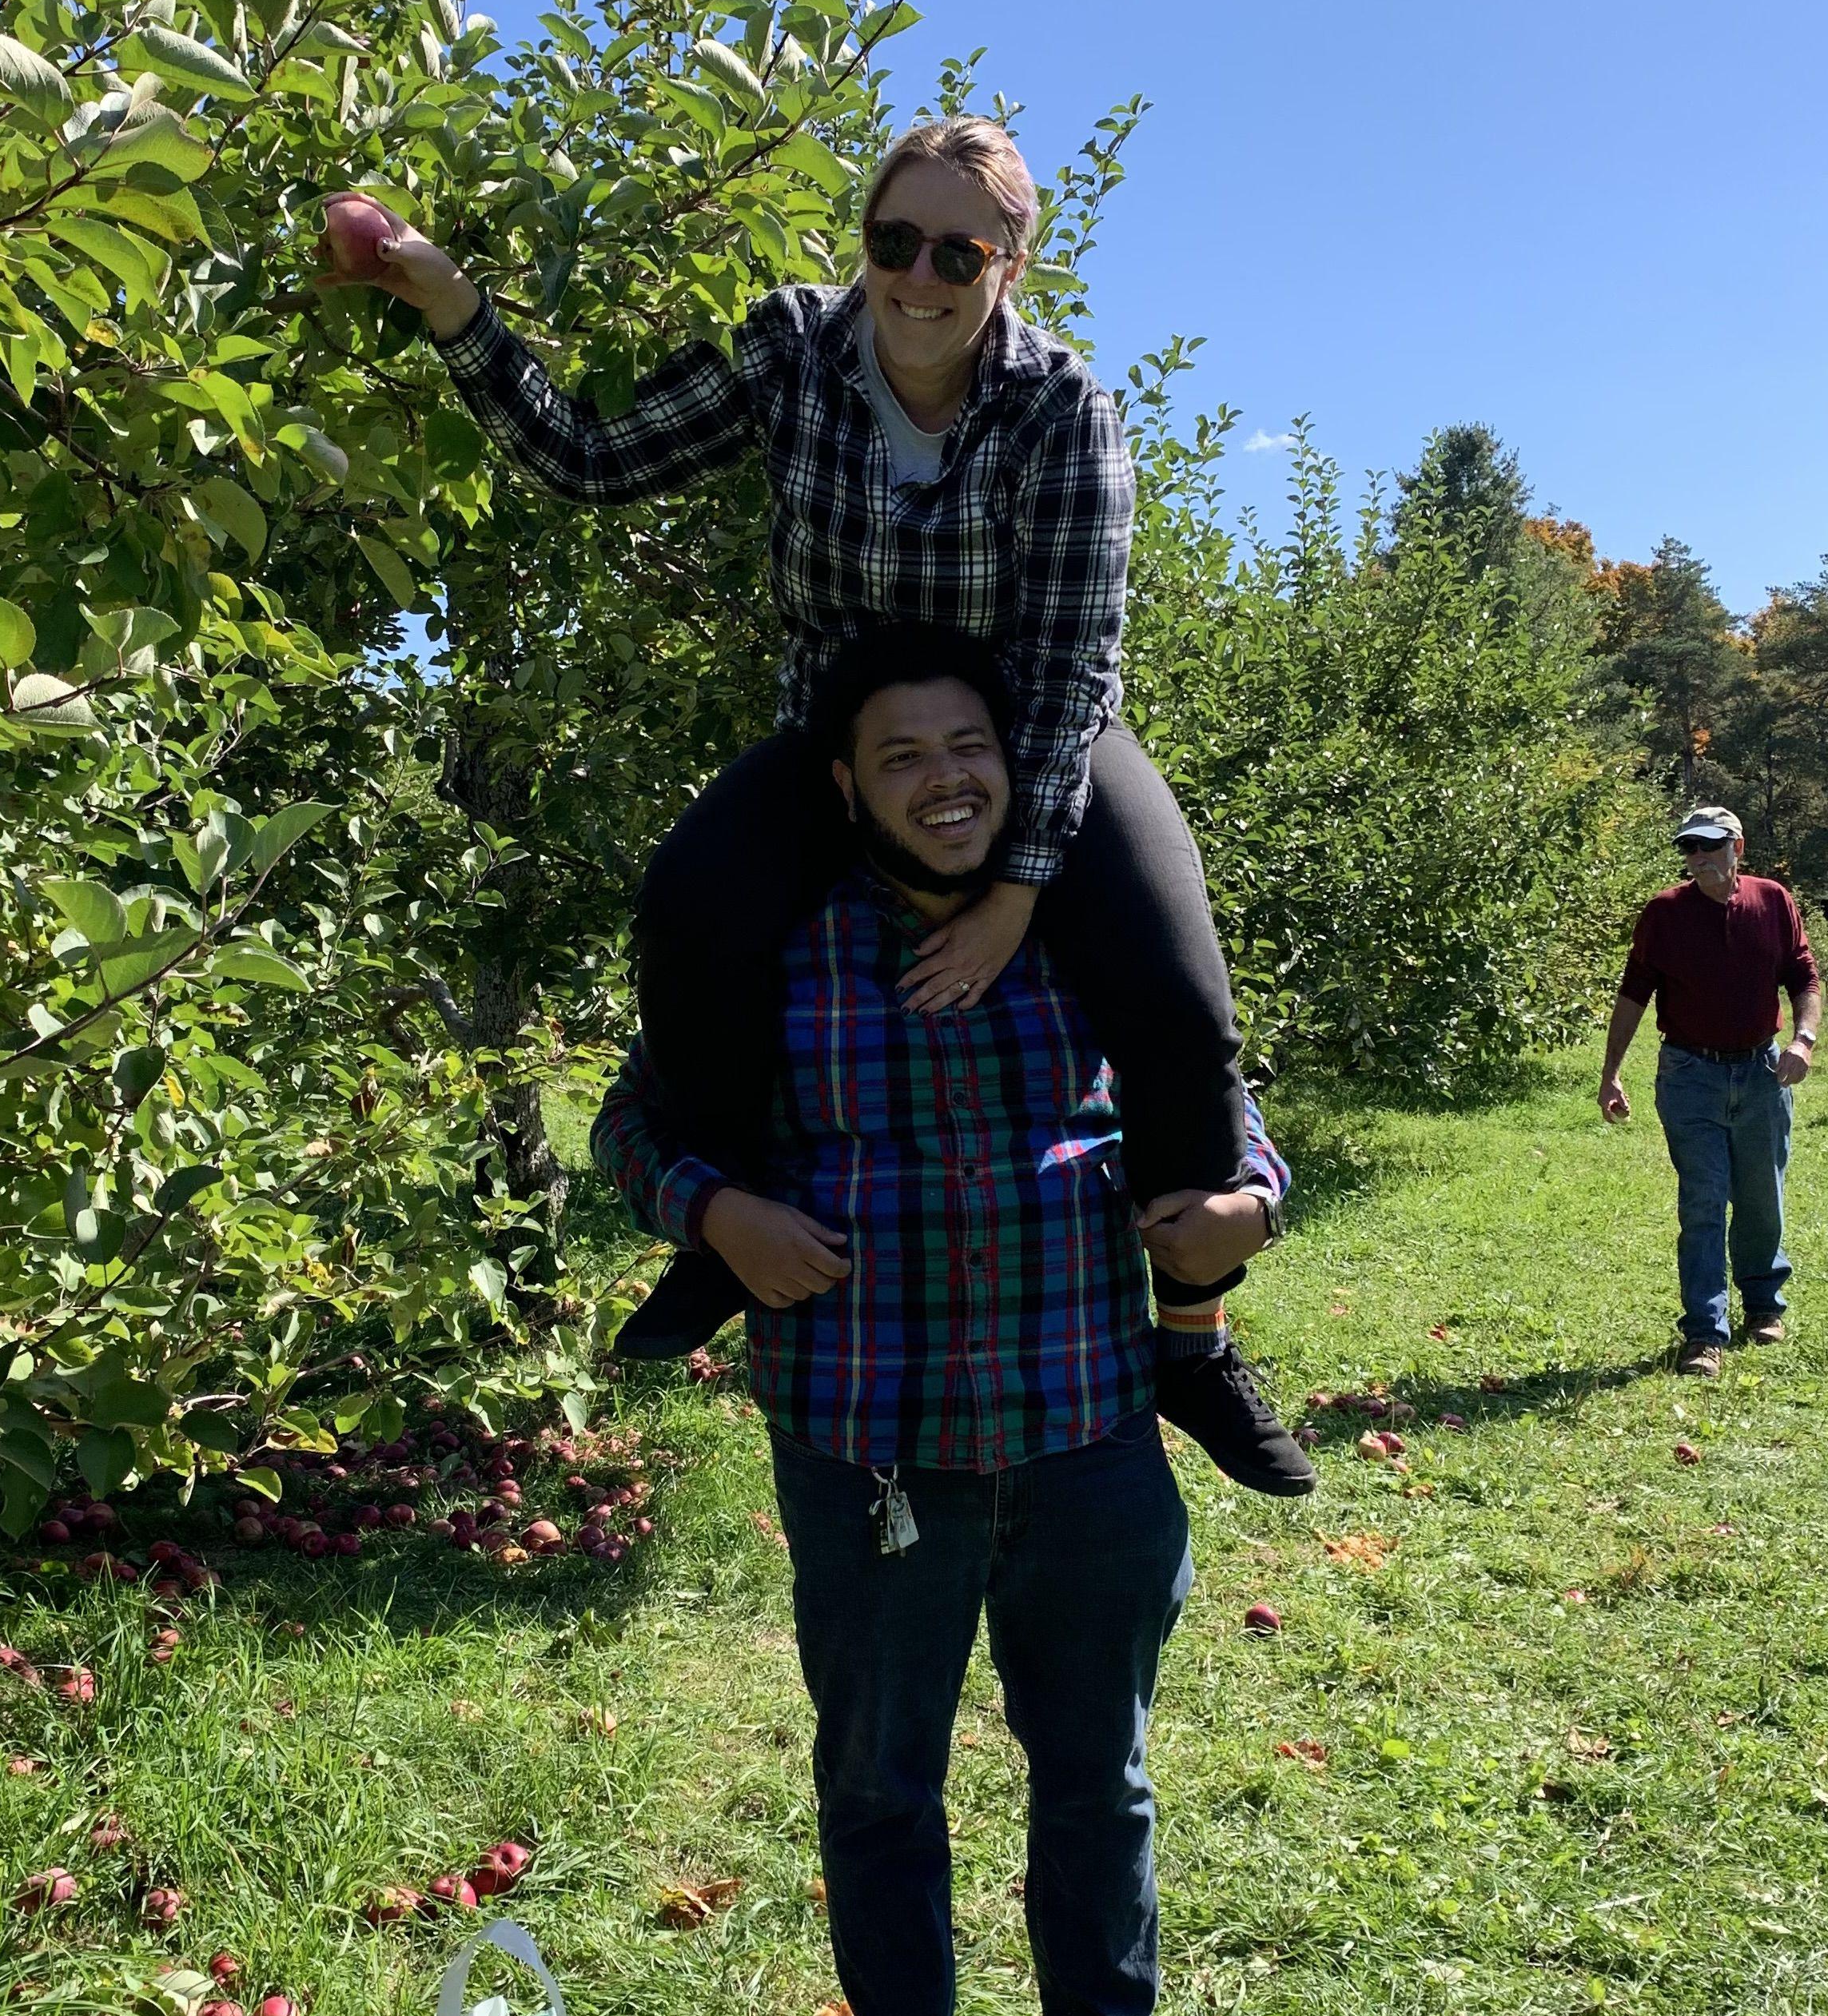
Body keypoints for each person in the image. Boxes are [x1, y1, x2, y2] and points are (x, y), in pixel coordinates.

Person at [325, 115, 1310, 1497]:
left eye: (956, 250)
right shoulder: (792, 346)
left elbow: (1078, 656)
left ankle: (1193, 1339)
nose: (916, 275)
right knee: (689, 907)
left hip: (1026, 732)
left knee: (1171, 970)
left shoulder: (1060, 405)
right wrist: (445, 299)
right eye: (890, 238)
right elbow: (591, 461)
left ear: (1009, 264)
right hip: (837, 734)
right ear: (863, 238)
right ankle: (723, 1228)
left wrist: (1017, 892)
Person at [591, 630, 1288, 2016]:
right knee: (883, 1789)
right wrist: (719, 1213)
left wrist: (1246, 1208)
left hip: (1087, 1428)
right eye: (902, 755)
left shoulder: (1083, 925)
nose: (944, 778)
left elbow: (1218, 1111)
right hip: (870, 1449)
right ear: (843, 785)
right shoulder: (783, 942)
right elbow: (640, 1123)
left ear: (1020, 763)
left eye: (969, 744)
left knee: (1095, 1774)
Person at [1598, 804, 1822, 1374]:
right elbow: (1634, 993)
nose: (1698, 859)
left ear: (1737, 848)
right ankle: (1705, 1333)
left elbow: (1803, 975)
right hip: (1689, 1076)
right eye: (1690, 850)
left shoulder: (1773, 902)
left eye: (1709, 847)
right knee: (1703, 1200)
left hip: (1761, 1073)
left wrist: (1804, 1040)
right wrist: (1611, 1073)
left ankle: (1764, 1306)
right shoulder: (1665, 914)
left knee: (1760, 1196)